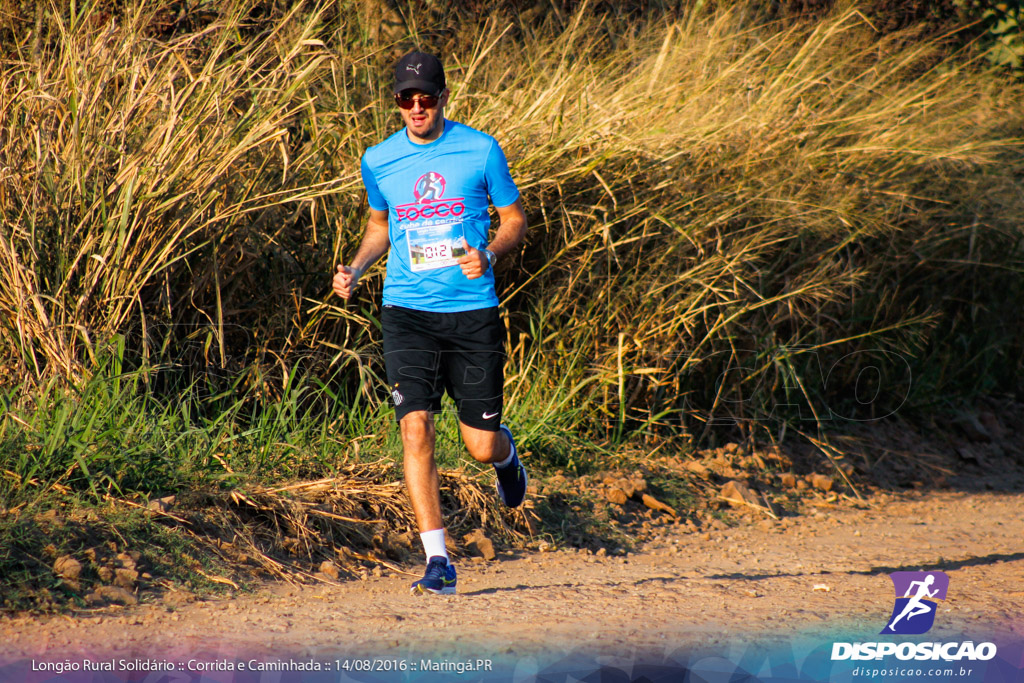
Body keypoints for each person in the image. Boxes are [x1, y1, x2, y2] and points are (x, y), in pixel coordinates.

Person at [331, 51, 528, 596]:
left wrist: (488, 253)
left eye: (425, 97)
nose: (416, 108)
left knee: (479, 445)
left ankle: (506, 456)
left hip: (471, 313)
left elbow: (515, 218)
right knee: (415, 426)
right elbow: (379, 225)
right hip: (406, 312)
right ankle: (438, 560)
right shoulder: (379, 159)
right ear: (395, 102)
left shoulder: (480, 149)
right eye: (405, 99)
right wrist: (357, 267)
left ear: (443, 97)